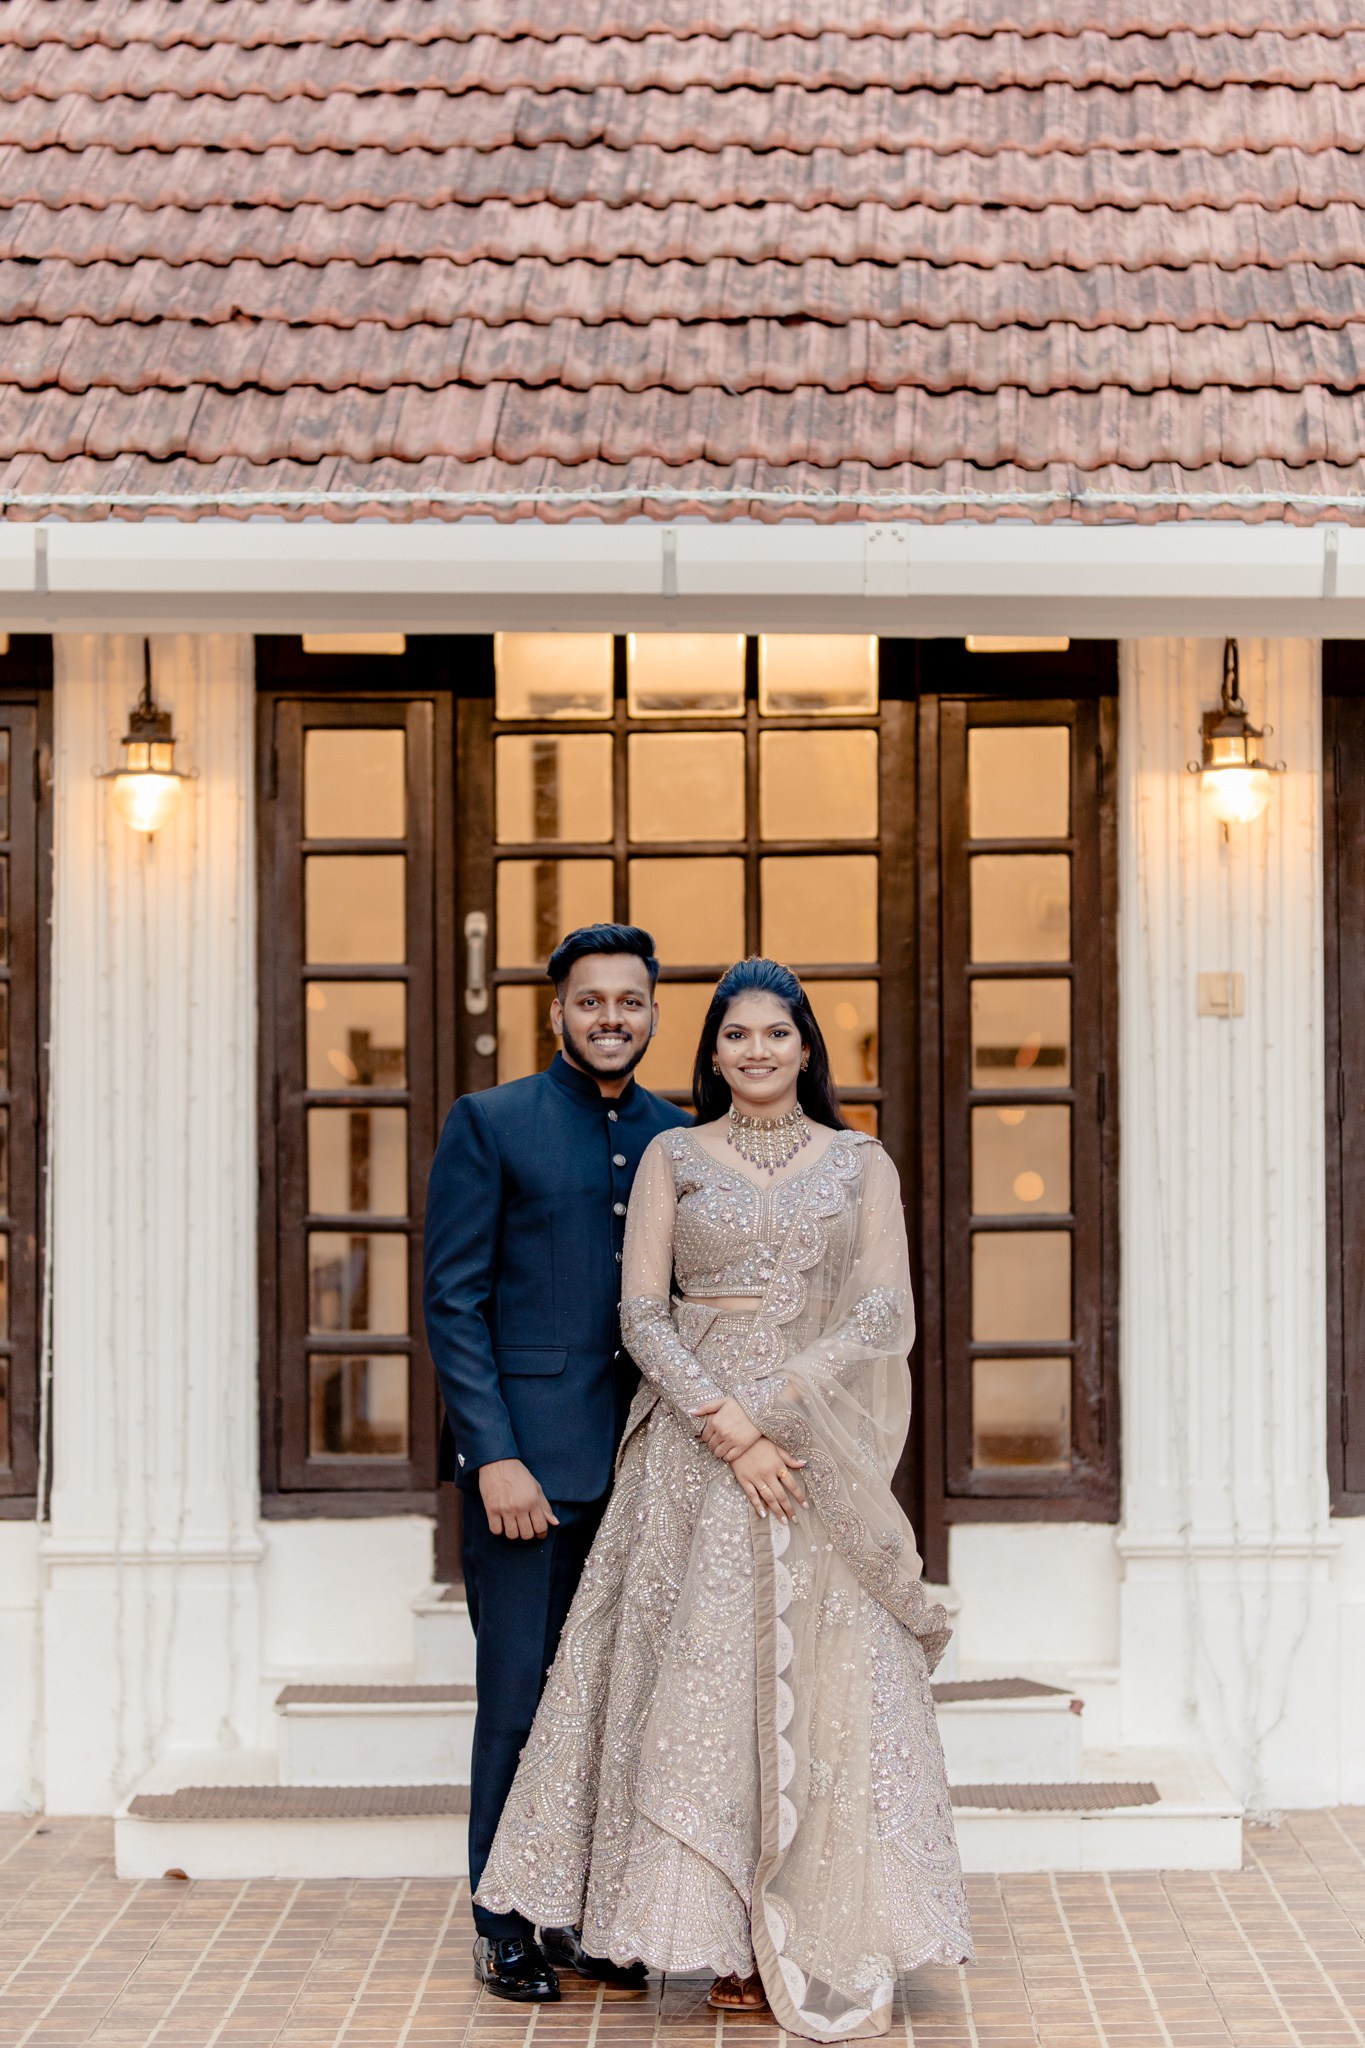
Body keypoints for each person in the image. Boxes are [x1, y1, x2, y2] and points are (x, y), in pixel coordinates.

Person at [477, 956, 973, 2040]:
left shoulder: (861, 1161)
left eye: (775, 1033)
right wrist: (723, 1421)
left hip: (812, 1448)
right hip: (690, 1456)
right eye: (736, 1034)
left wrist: (776, 1407)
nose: (756, 1050)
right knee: (701, 1689)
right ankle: (717, 1933)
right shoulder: (674, 1155)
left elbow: (882, 1309)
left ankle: (818, 1921)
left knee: (822, 1680)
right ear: (712, 1051)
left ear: (805, 1047)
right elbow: (641, 1313)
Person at [423, 923, 690, 2004]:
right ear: (559, 1012)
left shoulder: (679, 1135)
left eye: (629, 1000)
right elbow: (454, 1300)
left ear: (654, 1012)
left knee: (615, 1702)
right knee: (517, 1701)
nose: (610, 1018)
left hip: (646, 1471)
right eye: (591, 1000)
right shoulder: (492, 1121)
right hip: (527, 1474)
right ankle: (501, 1919)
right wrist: (491, 1454)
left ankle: (585, 1914)